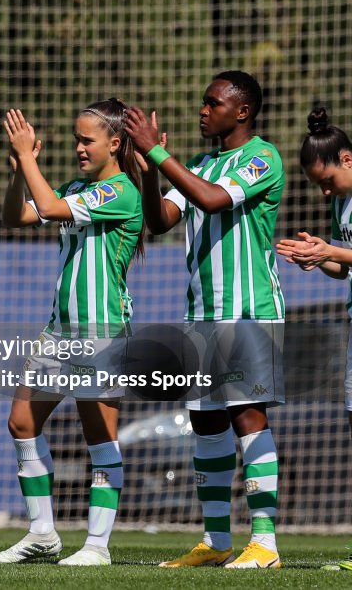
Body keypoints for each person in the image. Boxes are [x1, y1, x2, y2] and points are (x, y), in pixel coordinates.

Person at [125, 70, 285, 569]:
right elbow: (159, 221)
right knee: (205, 421)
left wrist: (157, 154)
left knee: (246, 416)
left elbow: (214, 199)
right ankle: (216, 542)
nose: (203, 110)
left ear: (242, 112)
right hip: (201, 314)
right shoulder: (195, 163)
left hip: (249, 311)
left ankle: (266, 544)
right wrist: (150, 172)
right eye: (202, 102)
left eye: (213, 103)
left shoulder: (263, 156)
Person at [0, 100, 143, 566]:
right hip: (59, 331)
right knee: (22, 422)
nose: (78, 147)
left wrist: (30, 158)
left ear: (114, 144)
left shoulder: (121, 191)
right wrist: (20, 168)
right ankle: (42, 533)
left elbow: (52, 208)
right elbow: (17, 216)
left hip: (100, 330)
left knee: (99, 435)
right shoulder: (79, 186)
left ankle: (97, 546)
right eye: (76, 139)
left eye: (87, 140)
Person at [275, 106, 352, 573]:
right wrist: (317, 257)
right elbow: (344, 269)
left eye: (328, 180)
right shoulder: (341, 203)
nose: (324, 191)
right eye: (317, 185)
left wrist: (332, 250)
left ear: (348, 159)